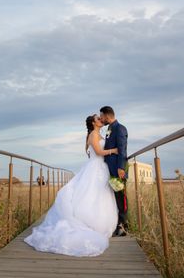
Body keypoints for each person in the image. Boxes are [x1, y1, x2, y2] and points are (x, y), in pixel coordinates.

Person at [24, 114, 119, 256]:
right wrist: (114, 151)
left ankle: (101, 222)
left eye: (100, 118)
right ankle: (90, 222)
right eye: (98, 119)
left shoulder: (99, 134)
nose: (101, 120)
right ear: (93, 123)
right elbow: (99, 152)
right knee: (91, 194)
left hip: (100, 168)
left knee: (100, 195)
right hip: (95, 167)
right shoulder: (93, 135)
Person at [100, 105, 129, 236]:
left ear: (107, 115)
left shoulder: (120, 128)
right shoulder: (109, 129)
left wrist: (121, 167)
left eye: (101, 116)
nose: (101, 118)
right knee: (114, 197)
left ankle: (123, 226)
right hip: (109, 168)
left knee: (120, 197)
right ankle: (117, 223)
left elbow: (122, 149)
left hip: (118, 169)